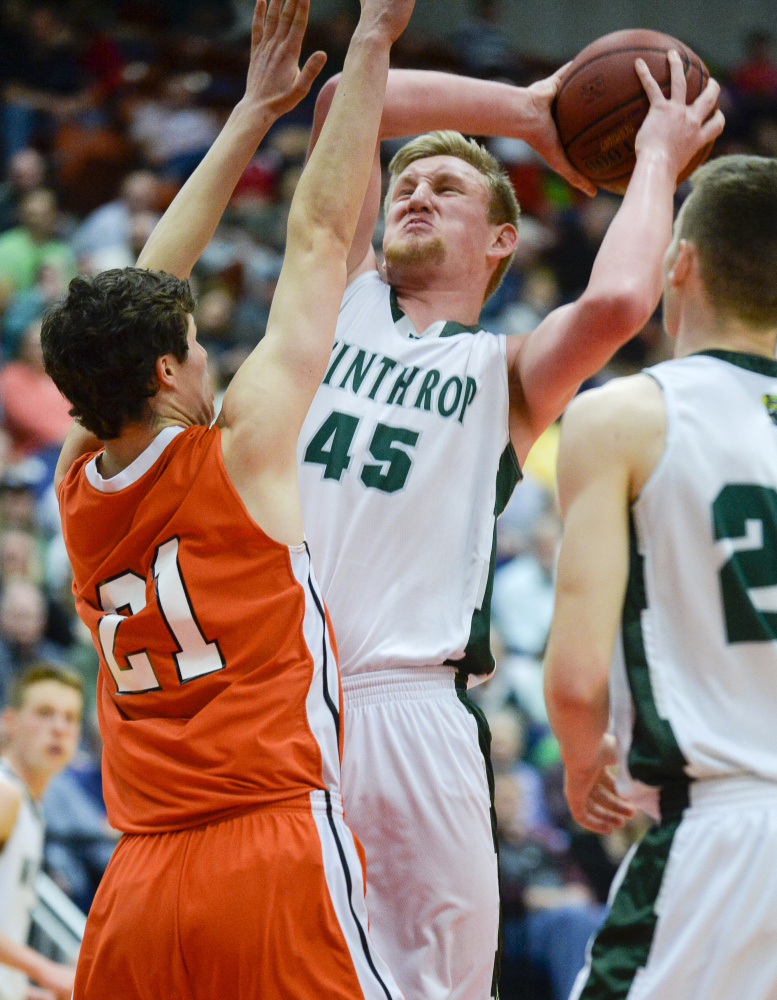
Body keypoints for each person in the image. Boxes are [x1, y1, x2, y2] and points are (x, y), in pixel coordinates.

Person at [294, 50, 725, 1000]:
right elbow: (344, 103)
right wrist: (530, 115)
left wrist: (652, 157)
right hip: (281, 706)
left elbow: (616, 302)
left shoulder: (506, 373)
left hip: (410, 705)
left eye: (445, 188)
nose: (412, 193)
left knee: (436, 989)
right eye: (405, 182)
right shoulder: (336, 306)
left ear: (499, 242)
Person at [40, 0, 414, 996]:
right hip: (270, 846)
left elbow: (135, 294)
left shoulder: (76, 487)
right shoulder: (240, 451)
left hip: (138, 880)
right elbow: (325, 238)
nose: (211, 355)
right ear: (168, 371)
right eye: (197, 345)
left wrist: (251, 112)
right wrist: (373, 40)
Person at [543, 153, 777, 999]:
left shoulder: (624, 415)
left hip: (723, 834)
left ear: (679, 263)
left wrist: (580, 764)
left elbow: (576, 678)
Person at [0, 662, 83, 1000]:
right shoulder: (5, 794)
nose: (59, 728)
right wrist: (48, 971)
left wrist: (28, 991)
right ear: (9, 721)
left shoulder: (30, 808)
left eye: (69, 718)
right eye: (45, 713)